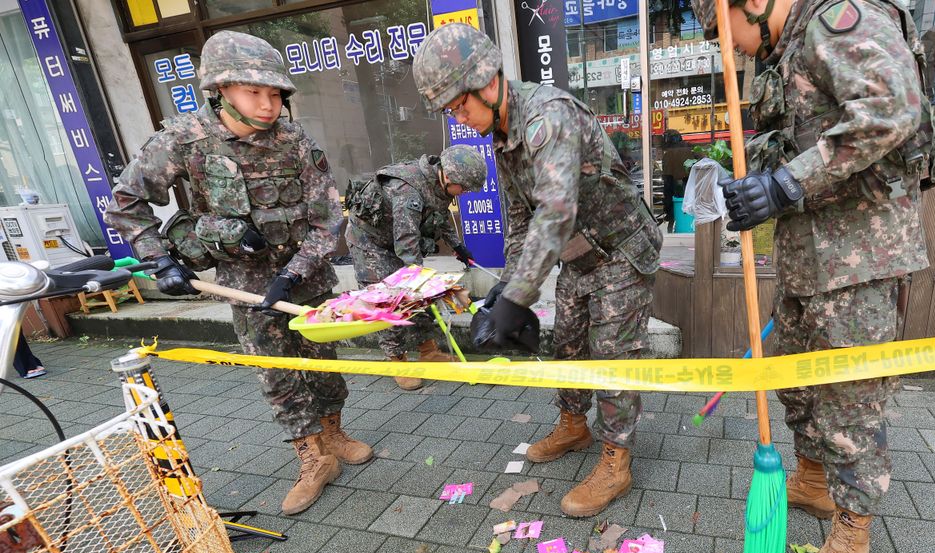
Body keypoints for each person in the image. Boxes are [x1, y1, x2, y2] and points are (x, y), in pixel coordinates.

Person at [690, 0, 929, 553]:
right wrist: (752, 181)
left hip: (860, 258)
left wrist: (783, 184)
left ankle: (852, 532)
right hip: (806, 258)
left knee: (852, 405)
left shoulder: (835, 20)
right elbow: (803, 134)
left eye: (726, 34)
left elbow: (891, 110)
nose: (734, 50)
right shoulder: (787, 46)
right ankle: (814, 480)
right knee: (797, 383)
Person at [106, 31, 373, 516]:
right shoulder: (185, 140)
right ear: (221, 89)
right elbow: (127, 202)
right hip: (243, 284)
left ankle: (334, 436)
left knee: (323, 362)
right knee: (277, 373)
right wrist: (159, 260)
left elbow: (327, 219)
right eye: (255, 92)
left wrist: (293, 274)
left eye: (275, 94)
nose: (268, 104)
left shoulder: (296, 142)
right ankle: (312, 459)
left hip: (305, 280)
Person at [413, 24, 663, 518]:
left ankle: (616, 459)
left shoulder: (547, 118)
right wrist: (507, 285)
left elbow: (555, 212)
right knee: (568, 342)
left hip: (620, 249)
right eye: (450, 112)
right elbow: (522, 221)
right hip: (577, 255)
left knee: (610, 357)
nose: (460, 119)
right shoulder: (502, 136)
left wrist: (517, 299)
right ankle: (573, 425)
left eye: (460, 106)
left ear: (486, 81)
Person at [346, 145, 487, 390]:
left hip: (397, 237)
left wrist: (457, 246)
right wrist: (427, 283)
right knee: (388, 300)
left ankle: (428, 351)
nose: (464, 193)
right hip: (370, 242)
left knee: (418, 293)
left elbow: (439, 217)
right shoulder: (407, 190)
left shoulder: (437, 182)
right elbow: (407, 248)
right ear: (449, 177)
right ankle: (397, 360)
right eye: (463, 188)